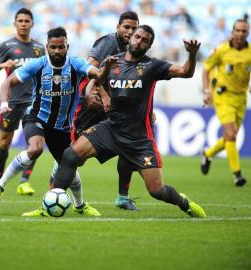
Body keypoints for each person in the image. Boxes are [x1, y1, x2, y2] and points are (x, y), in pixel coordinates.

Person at [43, 25, 206, 218]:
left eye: (145, 40)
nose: (139, 41)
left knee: (157, 190)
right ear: (130, 38)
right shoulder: (114, 61)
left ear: (149, 45)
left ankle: (184, 202)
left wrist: (192, 55)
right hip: (111, 128)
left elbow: (186, 72)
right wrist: (95, 94)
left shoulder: (153, 66)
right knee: (70, 155)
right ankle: (53, 201)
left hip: (139, 138)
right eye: (137, 36)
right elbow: (97, 79)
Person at [0, 26, 117, 217]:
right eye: (53, 47)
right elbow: (8, 82)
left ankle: (80, 206)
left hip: (61, 126)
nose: (57, 51)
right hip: (36, 117)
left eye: (61, 47)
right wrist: (4, 104)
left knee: (69, 164)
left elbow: (98, 76)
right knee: (35, 148)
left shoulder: (76, 64)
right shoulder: (38, 64)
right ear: (47, 46)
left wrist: (106, 70)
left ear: (67, 46)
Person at [70, 10, 141, 211]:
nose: (130, 31)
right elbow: (89, 70)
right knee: (73, 156)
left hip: (115, 108)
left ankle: (122, 197)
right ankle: (54, 192)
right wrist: (101, 93)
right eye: (126, 27)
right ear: (118, 27)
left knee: (128, 147)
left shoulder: (137, 50)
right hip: (92, 106)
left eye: (134, 28)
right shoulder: (107, 43)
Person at [0, 8, 45, 195]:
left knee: (35, 142)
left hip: (33, 102)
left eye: (27, 21)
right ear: (15, 23)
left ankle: (24, 181)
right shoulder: (7, 45)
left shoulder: (40, 49)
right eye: (20, 21)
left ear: (32, 24)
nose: (24, 24)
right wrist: (3, 65)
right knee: (4, 142)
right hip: (11, 102)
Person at [201, 19, 250, 187]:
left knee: (230, 136)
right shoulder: (221, 50)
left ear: (248, 33)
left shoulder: (250, 52)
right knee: (231, 133)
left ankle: (208, 154)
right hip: (223, 96)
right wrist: (207, 91)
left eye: (244, 31)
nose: (240, 34)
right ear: (232, 31)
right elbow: (206, 68)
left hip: (241, 98)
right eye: (238, 30)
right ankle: (237, 175)